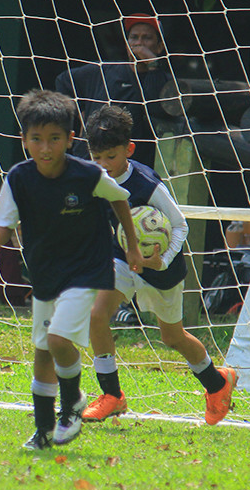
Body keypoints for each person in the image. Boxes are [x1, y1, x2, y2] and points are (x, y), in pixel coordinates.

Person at [0, 89, 143, 450]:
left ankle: (71, 403)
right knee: (42, 351)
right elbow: (4, 221)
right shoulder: (18, 177)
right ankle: (42, 430)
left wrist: (131, 245)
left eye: (54, 138)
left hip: (87, 270)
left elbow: (119, 198)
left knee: (57, 340)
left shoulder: (86, 174)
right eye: (36, 139)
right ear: (24, 140)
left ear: (70, 140)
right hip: (44, 273)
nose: (45, 148)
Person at [82, 104, 237, 425]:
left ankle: (218, 383)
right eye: (96, 157)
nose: (103, 165)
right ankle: (112, 394)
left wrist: (160, 260)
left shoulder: (147, 185)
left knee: (172, 337)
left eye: (111, 157)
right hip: (120, 257)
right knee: (97, 315)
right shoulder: (91, 176)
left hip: (161, 268)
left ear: (129, 149)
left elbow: (180, 226)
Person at [55, 13, 172, 169]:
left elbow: (156, 109)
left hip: (133, 167)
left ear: (159, 47)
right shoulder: (103, 71)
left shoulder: (165, 81)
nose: (139, 43)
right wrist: (81, 113)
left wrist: (152, 65)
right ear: (126, 43)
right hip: (89, 162)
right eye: (134, 37)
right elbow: (63, 80)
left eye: (147, 38)